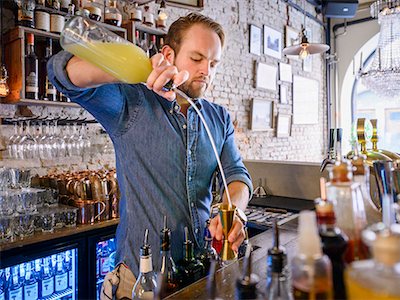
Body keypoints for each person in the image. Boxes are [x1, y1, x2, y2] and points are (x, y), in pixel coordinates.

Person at [48, 12, 252, 293]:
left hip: (201, 270)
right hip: (142, 279)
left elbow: (237, 175)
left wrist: (235, 212)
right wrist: (134, 70)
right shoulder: (131, 102)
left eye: (214, 63)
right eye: (196, 59)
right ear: (169, 54)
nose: (207, 70)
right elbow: (63, 75)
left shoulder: (218, 118)